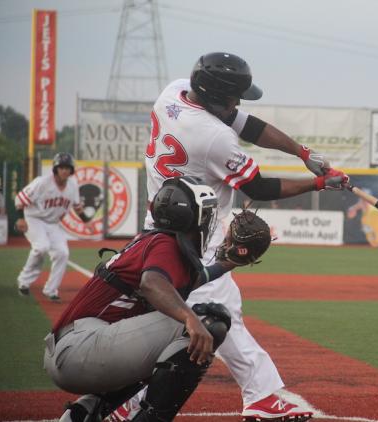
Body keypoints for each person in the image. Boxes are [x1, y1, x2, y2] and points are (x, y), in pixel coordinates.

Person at [110, 52, 349, 422]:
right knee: (219, 315)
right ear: (216, 97)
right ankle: (260, 397)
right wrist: (320, 182)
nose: (238, 103)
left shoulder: (174, 92)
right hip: (194, 240)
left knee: (194, 317)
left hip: (160, 225)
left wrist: (302, 152)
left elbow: (248, 124)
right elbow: (259, 187)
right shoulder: (212, 136)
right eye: (234, 96)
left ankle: (133, 400)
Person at [46, 177, 234, 422]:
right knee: (209, 321)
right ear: (190, 216)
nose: (208, 220)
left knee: (170, 343)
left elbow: (184, 283)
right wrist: (191, 319)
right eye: (206, 213)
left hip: (74, 348)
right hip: (79, 349)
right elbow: (152, 284)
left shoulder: (155, 241)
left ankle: (84, 412)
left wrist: (229, 263)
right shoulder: (165, 245)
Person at [15, 152, 92, 301]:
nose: (64, 170)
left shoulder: (72, 185)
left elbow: (77, 206)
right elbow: (20, 199)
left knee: (62, 253)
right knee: (41, 247)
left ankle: (51, 290)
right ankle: (24, 282)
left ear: (72, 170)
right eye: (61, 167)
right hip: (34, 219)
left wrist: (86, 220)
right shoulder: (42, 182)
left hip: (52, 223)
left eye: (67, 168)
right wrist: (20, 219)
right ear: (55, 169)